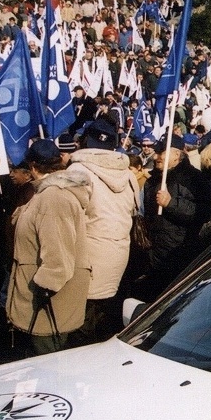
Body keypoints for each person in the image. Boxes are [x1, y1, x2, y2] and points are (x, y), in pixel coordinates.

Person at [6, 140, 92, 355]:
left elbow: (58, 252)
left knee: (48, 360)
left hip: (49, 297)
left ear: (33, 166)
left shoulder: (53, 196)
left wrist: (47, 285)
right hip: (44, 293)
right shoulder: (47, 194)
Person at [66, 118, 139, 343]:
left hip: (87, 257)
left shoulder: (78, 170)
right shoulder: (128, 174)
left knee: (79, 326)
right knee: (103, 321)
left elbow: (67, 214)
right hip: (118, 254)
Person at [137, 134, 210, 300]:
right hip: (153, 254)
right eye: (156, 152)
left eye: (162, 152)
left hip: (178, 256)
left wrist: (171, 204)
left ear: (177, 154)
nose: (156, 157)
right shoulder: (153, 180)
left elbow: (202, 213)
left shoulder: (194, 179)